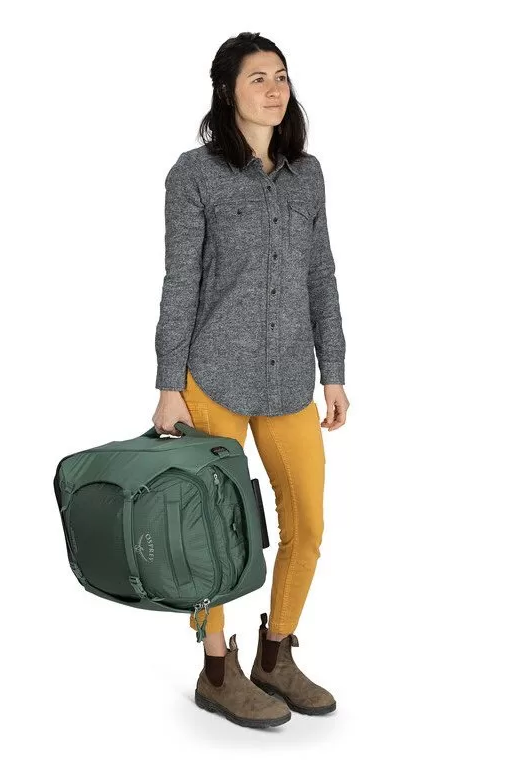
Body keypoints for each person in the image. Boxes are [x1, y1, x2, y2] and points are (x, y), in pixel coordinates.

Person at [152, 31, 350, 728]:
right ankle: (216, 669)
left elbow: (321, 275)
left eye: (281, 76)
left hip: (291, 376)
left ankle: (275, 655)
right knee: (211, 531)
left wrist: (334, 371)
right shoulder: (193, 175)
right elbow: (180, 283)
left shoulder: (307, 174)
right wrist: (168, 384)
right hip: (212, 376)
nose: (274, 89)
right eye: (257, 78)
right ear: (226, 91)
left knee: (307, 522)